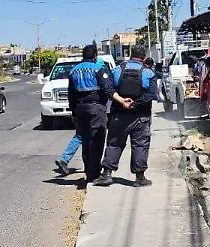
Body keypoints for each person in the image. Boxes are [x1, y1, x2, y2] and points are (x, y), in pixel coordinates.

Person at [96, 45, 160, 187]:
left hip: (119, 115)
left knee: (114, 143)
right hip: (141, 117)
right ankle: (139, 178)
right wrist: (135, 104)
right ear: (143, 58)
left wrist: (122, 101)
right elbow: (151, 95)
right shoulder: (148, 73)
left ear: (130, 56)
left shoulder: (117, 70)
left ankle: (106, 174)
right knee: (140, 145)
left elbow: (108, 89)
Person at [66, 44, 113, 185]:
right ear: (95, 57)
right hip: (96, 108)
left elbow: (71, 94)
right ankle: (94, 173)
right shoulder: (99, 69)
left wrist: (74, 112)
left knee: (85, 141)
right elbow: (107, 89)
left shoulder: (73, 71)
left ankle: (88, 171)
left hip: (80, 109)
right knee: (97, 140)